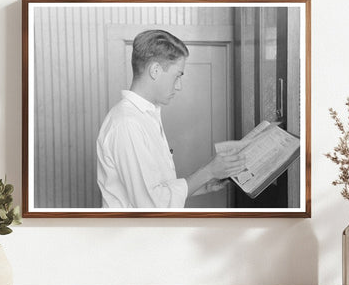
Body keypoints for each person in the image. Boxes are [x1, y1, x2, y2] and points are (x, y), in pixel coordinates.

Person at [97, 29, 245, 208]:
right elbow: (151, 205)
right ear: (155, 70)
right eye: (177, 76)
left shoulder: (145, 116)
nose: (179, 86)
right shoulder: (127, 124)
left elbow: (157, 188)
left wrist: (203, 185)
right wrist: (208, 171)